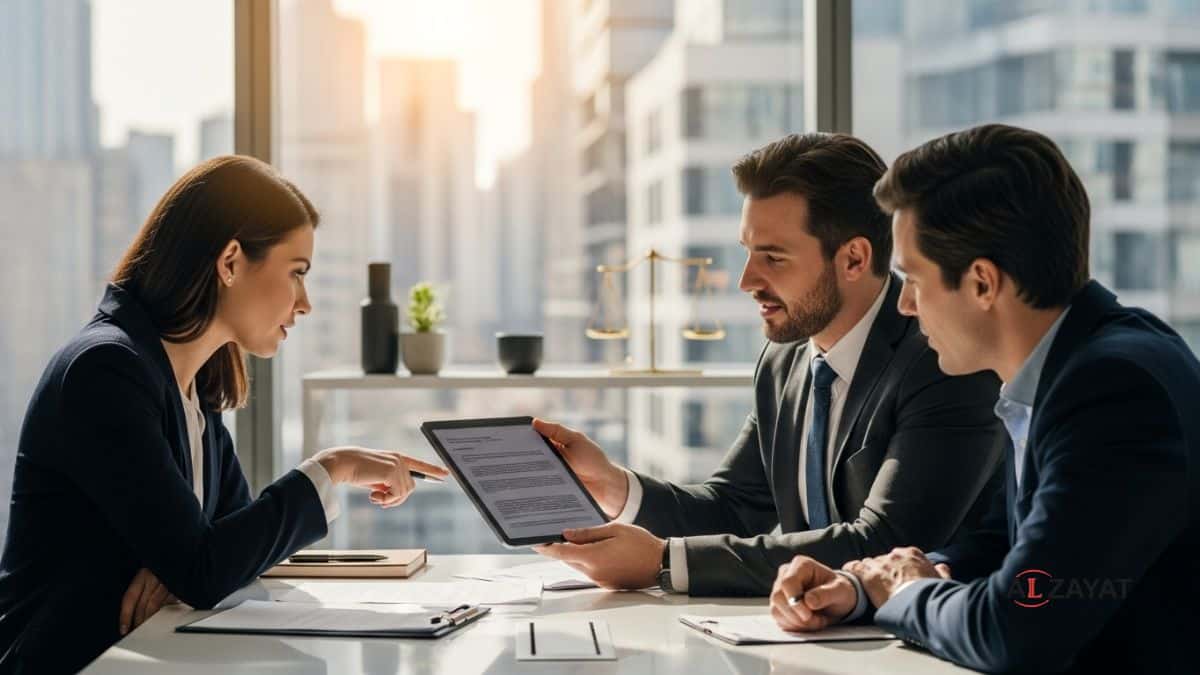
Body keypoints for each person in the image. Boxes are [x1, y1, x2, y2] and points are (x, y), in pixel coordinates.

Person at [768, 124, 1197, 673]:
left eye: (914, 280)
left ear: (982, 283)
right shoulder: (1066, 369)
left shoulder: (1112, 390)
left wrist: (906, 597)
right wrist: (861, 585)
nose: (905, 307)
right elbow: (1000, 545)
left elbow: (1019, 624)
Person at [0, 156, 448, 673]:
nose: (305, 304)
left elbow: (227, 547)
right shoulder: (106, 370)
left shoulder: (192, 384)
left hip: (149, 657)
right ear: (231, 261)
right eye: (297, 274)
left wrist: (186, 562)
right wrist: (332, 469)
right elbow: (209, 566)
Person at [533, 133, 1007, 595]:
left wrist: (663, 561)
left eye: (773, 258)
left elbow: (886, 543)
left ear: (854, 259)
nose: (746, 281)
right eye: (747, 252)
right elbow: (735, 507)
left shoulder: (943, 360)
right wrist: (612, 484)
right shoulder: (786, 359)